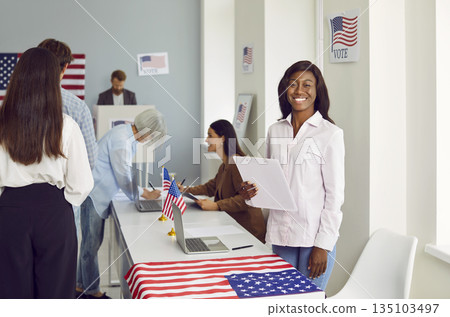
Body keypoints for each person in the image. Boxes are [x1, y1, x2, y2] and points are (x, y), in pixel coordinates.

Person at [239, 61, 345, 290]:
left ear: (317, 91)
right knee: (282, 301)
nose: (299, 91)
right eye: (293, 84)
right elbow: (269, 184)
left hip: (313, 240)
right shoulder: (275, 131)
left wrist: (323, 246)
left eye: (307, 85)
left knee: (308, 305)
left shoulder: (330, 134)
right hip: (280, 235)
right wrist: (251, 192)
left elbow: (334, 196)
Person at [0, 48, 93, 299]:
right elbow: (82, 184)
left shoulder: (1, 122)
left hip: (8, 213)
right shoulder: (66, 125)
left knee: (10, 293)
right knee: (55, 296)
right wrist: (60, 206)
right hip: (54, 213)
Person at [76, 108, 166, 299]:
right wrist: (144, 194)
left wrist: (141, 192)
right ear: (147, 131)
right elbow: (123, 174)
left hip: (100, 193)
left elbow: (125, 173)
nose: (149, 140)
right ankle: (91, 292)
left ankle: (80, 285)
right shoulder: (122, 140)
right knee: (91, 246)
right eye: (151, 136)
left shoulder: (125, 134)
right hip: (95, 194)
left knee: (89, 246)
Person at [178, 120, 266, 243]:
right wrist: (186, 189)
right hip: (233, 226)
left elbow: (247, 198)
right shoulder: (225, 164)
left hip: (248, 232)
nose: (206, 140)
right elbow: (211, 187)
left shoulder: (237, 163)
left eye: (210, 135)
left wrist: (216, 205)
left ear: (222, 138)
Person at [37, 39, 97, 169]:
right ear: (65, 67)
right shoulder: (78, 108)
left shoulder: (12, 102)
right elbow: (90, 160)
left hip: (15, 186)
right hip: (62, 185)